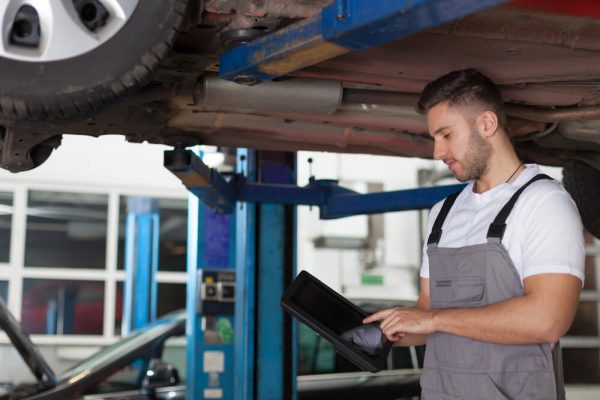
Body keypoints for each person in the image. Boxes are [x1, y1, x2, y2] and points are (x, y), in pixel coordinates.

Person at [364, 68, 585, 399]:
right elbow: (427, 310)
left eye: (446, 135)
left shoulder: (543, 203)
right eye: (434, 138)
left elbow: (547, 319)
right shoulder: (443, 213)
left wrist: (435, 320)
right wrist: (383, 332)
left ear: (487, 124)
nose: (437, 152)